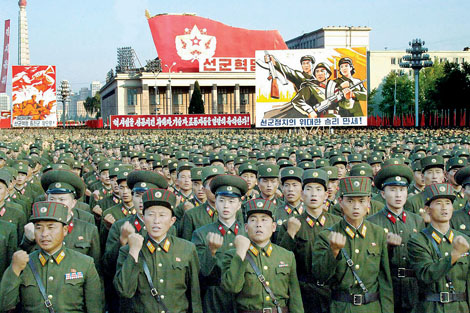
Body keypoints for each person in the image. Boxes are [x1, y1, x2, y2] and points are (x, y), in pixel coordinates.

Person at [0, 201, 104, 312]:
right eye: (38, 228)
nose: (44, 234)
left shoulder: (84, 263)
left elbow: (94, 308)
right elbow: (4, 306)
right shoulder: (23, 263)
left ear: (64, 230)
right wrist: (14, 270)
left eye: (51, 227)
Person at [312, 176, 394, 312]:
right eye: (350, 201)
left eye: (361, 201)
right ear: (340, 202)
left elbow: (384, 280)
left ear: (369, 202)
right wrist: (333, 252)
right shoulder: (327, 235)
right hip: (341, 307)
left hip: (371, 307)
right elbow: (320, 276)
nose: (356, 206)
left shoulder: (378, 234)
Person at [114, 188, 203, 313]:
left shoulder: (186, 249)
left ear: (172, 221)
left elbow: (195, 296)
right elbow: (124, 291)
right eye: (151, 215)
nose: (156, 221)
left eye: (162, 215)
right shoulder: (128, 250)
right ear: (143, 218)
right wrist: (133, 252)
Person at [221, 198, 304, 313]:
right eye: (253, 220)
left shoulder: (286, 256)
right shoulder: (233, 255)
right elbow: (232, 288)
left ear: (274, 227)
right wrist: (240, 254)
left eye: (264, 220)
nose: (259, 225)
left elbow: (295, 298)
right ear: (246, 227)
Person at [277, 169, 341, 312]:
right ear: (302, 194)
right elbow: (281, 259)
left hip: (333, 292)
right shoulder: (291, 224)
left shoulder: (337, 223)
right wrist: (290, 234)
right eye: (309, 189)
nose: (313, 194)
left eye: (318, 190)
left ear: (325, 195)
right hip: (304, 293)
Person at [368, 164, 425, 312]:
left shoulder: (417, 221)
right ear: (382, 194)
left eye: (402, 190)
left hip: (413, 285)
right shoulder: (372, 222)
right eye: (392, 190)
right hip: (387, 285)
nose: (398, 195)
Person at [408, 183, 470, 312]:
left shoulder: (464, 239)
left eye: (448, 203)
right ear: (427, 209)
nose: (444, 208)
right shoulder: (418, 241)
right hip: (431, 307)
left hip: (460, 308)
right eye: (438, 203)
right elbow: (426, 274)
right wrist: (454, 255)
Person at [191, 174, 248, 313]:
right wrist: (210, 251)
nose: (226, 205)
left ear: (239, 205)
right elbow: (200, 273)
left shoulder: (247, 233)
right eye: (221, 200)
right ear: (215, 202)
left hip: (244, 298)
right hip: (214, 301)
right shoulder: (201, 234)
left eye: (231, 201)